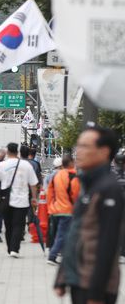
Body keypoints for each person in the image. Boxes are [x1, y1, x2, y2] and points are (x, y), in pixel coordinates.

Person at [55, 127, 125, 304]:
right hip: (79, 279)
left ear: (104, 152)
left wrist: (96, 292)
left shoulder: (109, 188)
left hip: (95, 286)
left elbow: (108, 243)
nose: (78, 151)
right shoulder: (88, 184)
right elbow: (75, 232)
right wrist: (62, 277)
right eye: (78, 146)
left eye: (85, 146)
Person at [0, 143, 38, 258]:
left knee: (8, 225)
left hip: (6, 200)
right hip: (22, 200)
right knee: (19, 225)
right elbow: (33, 183)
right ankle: (15, 249)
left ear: (8, 152)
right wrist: (34, 198)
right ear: (17, 152)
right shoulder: (26, 165)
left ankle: (10, 248)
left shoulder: (2, 165)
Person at [46, 155, 80, 265]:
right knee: (63, 234)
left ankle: (63, 255)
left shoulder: (56, 175)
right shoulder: (73, 176)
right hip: (67, 210)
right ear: (70, 163)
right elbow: (76, 194)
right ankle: (52, 256)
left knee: (57, 233)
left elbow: (49, 192)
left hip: (55, 209)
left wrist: (50, 206)